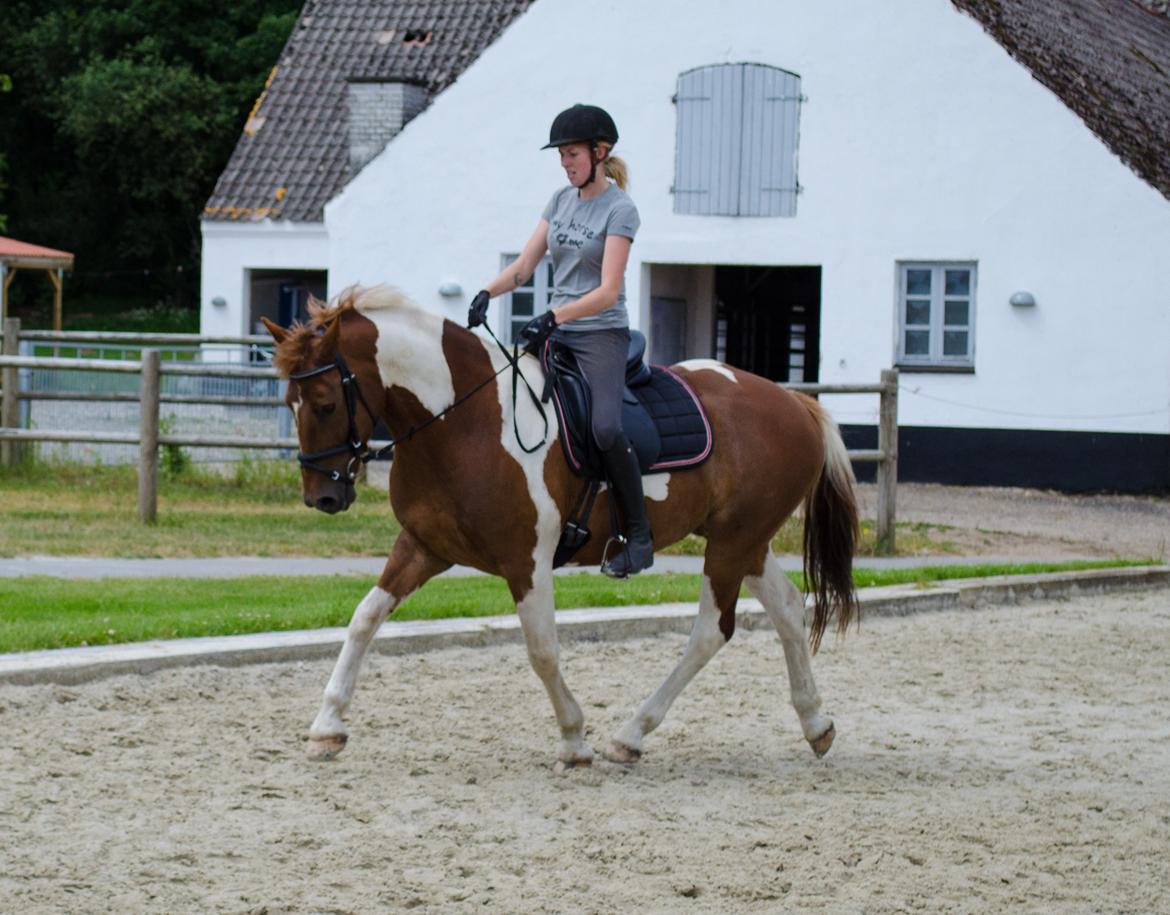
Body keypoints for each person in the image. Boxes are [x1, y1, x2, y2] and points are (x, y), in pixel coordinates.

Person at [467, 103, 652, 578]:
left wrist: (554, 314)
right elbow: (525, 267)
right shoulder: (558, 201)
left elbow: (608, 289)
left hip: (600, 334)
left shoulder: (621, 210)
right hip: (556, 330)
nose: (566, 163)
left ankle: (639, 537)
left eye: (572, 154)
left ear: (599, 152)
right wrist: (488, 291)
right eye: (562, 156)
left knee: (606, 427)